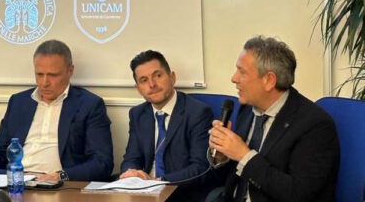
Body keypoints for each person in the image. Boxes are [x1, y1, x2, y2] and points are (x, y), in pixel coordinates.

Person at [208, 36, 339, 202]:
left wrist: (243, 155)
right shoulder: (247, 108)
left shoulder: (315, 125)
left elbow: (298, 194)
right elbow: (231, 176)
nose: (233, 78)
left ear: (269, 80)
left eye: (242, 72)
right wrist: (222, 156)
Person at [0, 39, 113, 182]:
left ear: (70, 70)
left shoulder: (89, 105)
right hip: (16, 180)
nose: (44, 82)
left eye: (53, 75)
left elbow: (102, 162)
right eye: (39, 74)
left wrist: (60, 176)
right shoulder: (19, 102)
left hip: (56, 184)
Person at [120, 50, 212, 201]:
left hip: (180, 194)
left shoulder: (197, 113)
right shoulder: (137, 114)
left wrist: (158, 182)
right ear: (138, 88)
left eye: (158, 75)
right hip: (144, 194)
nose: (152, 84)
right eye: (144, 80)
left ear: (172, 77)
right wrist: (131, 174)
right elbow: (131, 157)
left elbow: (200, 168)